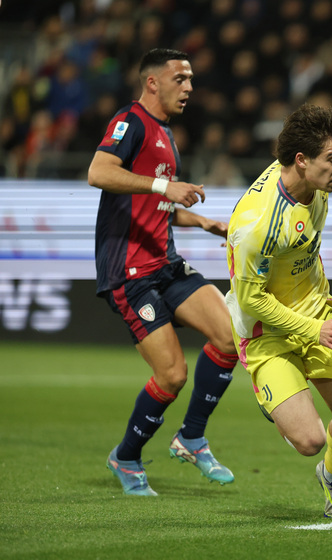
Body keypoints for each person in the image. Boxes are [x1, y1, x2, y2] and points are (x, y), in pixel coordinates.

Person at [88, 48, 239, 496]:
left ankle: (191, 437)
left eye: (191, 79)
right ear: (152, 82)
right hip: (129, 273)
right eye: (180, 78)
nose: (189, 87)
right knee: (173, 375)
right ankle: (127, 456)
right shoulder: (129, 122)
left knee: (231, 335)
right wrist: (162, 185)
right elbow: (99, 172)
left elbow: (155, 203)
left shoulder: (166, 135)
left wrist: (203, 221)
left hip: (166, 263)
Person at [225, 104, 332, 519]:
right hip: (266, 331)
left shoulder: (314, 184)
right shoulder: (257, 223)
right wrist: (312, 331)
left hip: (320, 313)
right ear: (301, 161)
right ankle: (278, 403)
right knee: (308, 441)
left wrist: (319, 324)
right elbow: (251, 300)